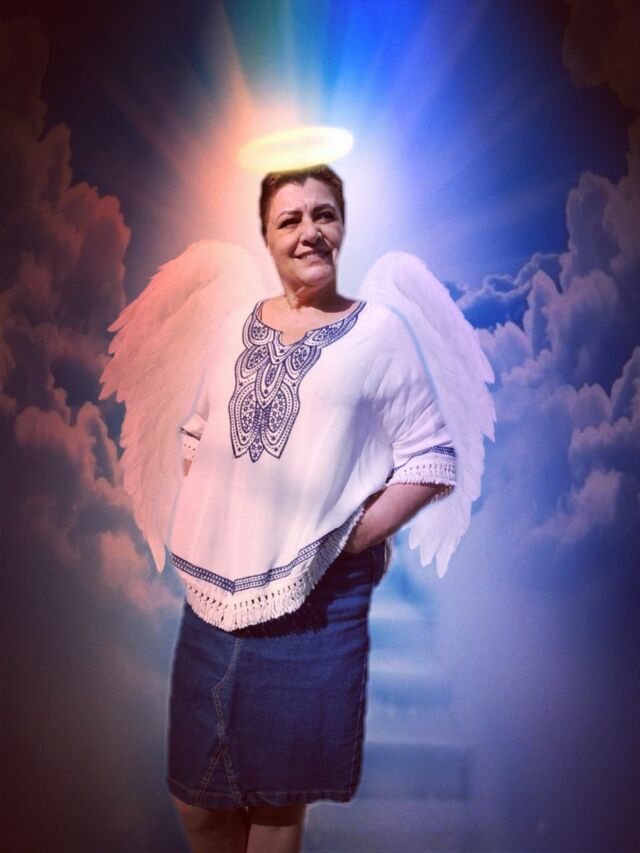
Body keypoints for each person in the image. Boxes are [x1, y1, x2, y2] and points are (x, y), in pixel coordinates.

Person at [166, 164, 457, 853]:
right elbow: (199, 431)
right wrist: (222, 514)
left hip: (312, 606)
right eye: (290, 220)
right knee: (197, 802)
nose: (310, 232)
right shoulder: (235, 328)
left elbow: (430, 455)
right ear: (267, 237)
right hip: (213, 603)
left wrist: (353, 538)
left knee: (276, 805)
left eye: (324, 214)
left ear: (343, 226)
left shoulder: (379, 332)